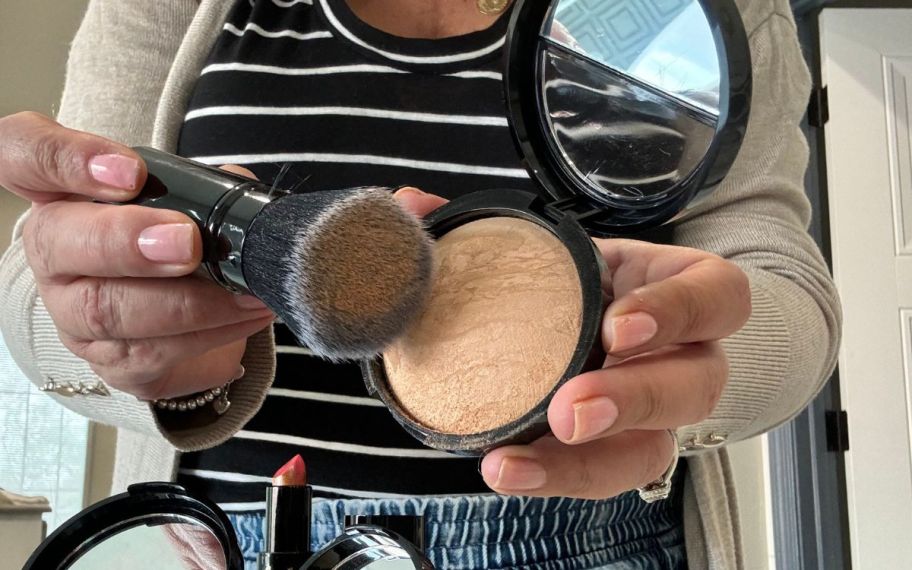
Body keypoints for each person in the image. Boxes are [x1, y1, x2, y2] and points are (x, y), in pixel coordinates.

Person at [0, 0, 840, 568]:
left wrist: (675, 353)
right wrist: (112, 329)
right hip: (239, 534)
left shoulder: (698, 19)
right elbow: (36, 289)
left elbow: (785, 291)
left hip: (588, 536)